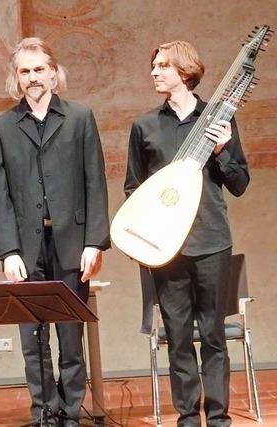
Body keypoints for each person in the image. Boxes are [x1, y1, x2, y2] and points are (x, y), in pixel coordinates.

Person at [125, 41, 249, 426]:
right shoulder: (145, 126)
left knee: (213, 336)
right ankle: (187, 419)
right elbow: (134, 189)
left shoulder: (217, 121)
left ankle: (218, 417)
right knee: (178, 338)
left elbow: (240, 183)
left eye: (163, 65)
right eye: (154, 64)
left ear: (186, 71)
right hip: (167, 249)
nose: (155, 71)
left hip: (212, 241)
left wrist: (224, 149)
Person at [0, 37, 110, 426]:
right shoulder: (2, 127)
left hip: (73, 243)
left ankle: (71, 412)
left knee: (71, 336)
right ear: (16, 79)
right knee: (32, 337)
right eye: (25, 71)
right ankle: (44, 411)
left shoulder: (79, 117)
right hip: (26, 247)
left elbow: (96, 182)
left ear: (54, 73)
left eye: (39, 69)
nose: (33, 78)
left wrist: (95, 242)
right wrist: (8, 251)